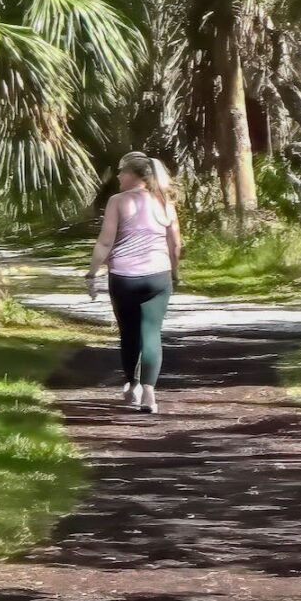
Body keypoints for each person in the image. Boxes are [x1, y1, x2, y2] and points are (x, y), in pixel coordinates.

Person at [87, 153, 180, 415]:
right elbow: (175, 244)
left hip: (124, 277)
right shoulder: (164, 203)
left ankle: (132, 385)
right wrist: (175, 273)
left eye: (123, 172)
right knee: (151, 333)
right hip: (158, 276)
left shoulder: (118, 201)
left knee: (129, 333)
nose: (118, 176)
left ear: (137, 176)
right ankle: (150, 393)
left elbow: (105, 242)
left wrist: (92, 273)